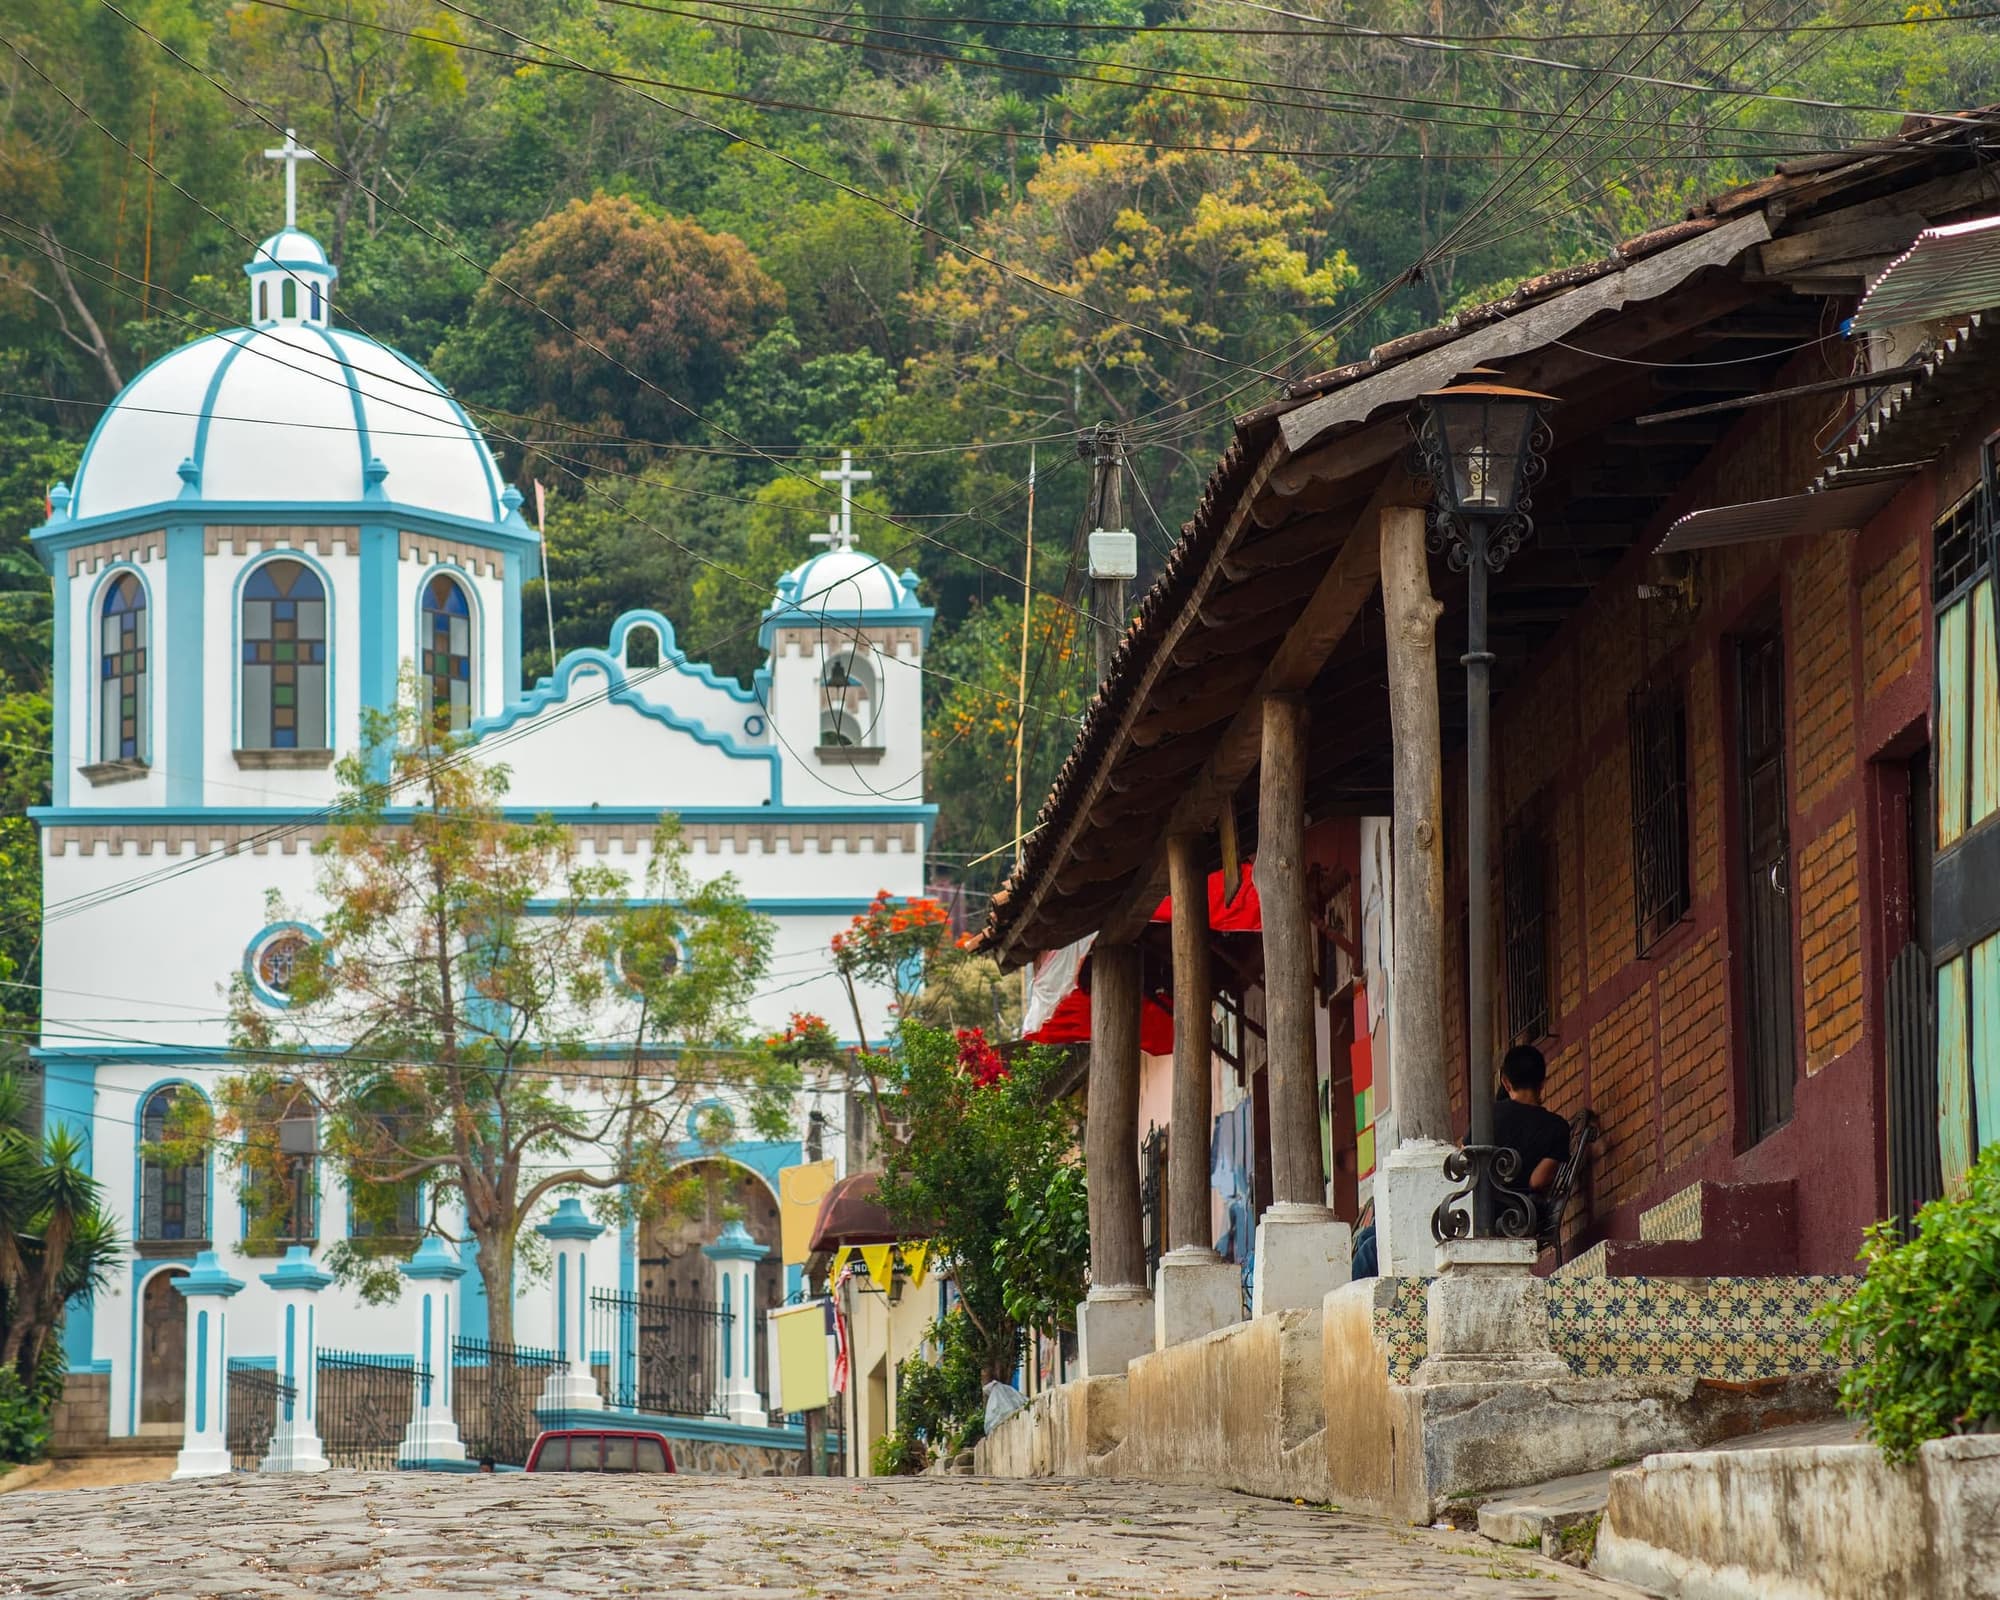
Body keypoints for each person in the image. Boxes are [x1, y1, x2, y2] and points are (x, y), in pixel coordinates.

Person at [1492, 1044, 1575, 1218]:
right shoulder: (1557, 1127)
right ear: (1542, 1083)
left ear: (1506, 1083)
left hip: (1483, 1214)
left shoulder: (1488, 1116)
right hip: (1522, 1217)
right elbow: (1537, 1181)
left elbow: (1465, 1157)